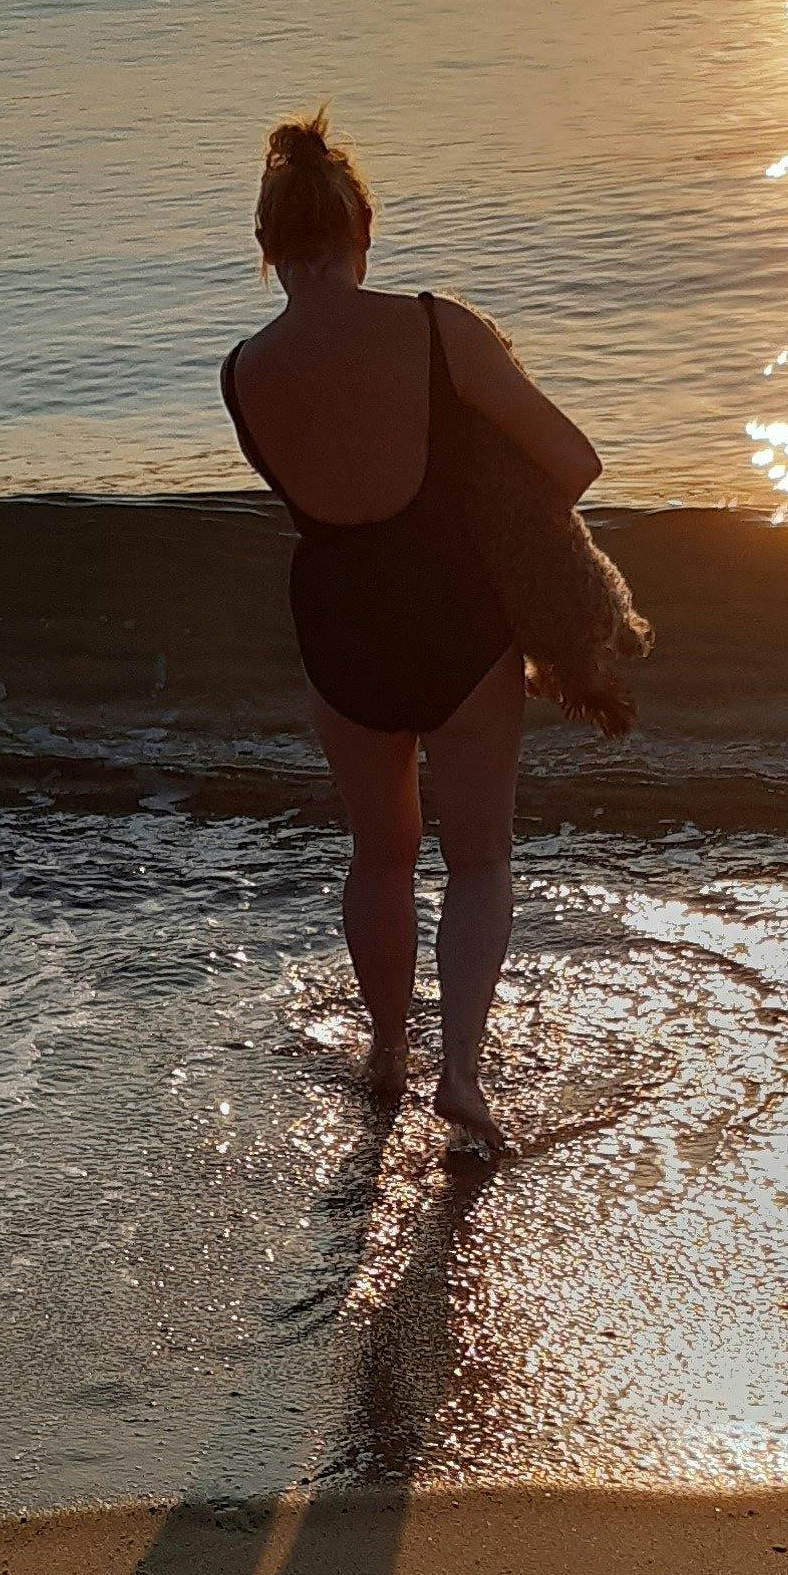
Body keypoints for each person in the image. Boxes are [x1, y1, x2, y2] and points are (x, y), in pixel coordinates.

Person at [219, 114, 601, 1159]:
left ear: (266, 244)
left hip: (338, 623)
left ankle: (387, 1055)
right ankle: (463, 1076)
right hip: (456, 616)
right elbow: (573, 464)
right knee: (477, 858)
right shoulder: (439, 331)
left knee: (380, 854)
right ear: (365, 229)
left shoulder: (245, 370)